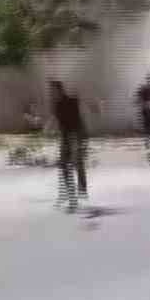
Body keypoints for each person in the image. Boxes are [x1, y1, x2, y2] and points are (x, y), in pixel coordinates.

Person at [49, 80, 89, 211]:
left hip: (76, 134)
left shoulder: (72, 100)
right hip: (66, 136)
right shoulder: (56, 104)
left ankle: (82, 186)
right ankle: (72, 197)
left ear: (60, 90)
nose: (52, 93)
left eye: (54, 91)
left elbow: (79, 119)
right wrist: (49, 128)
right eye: (51, 91)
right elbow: (56, 120)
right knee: (63, 166)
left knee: (76, 161)